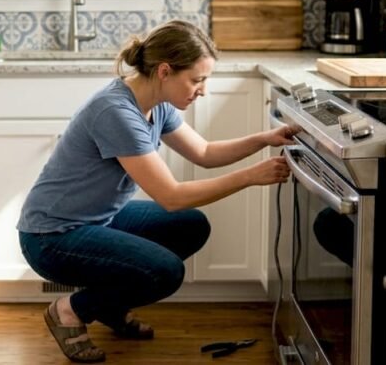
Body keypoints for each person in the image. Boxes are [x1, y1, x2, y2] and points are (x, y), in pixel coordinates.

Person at [16, 19, 300, 363]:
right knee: (164, 271)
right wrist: (250, 176)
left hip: (97, 220)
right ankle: (70, 310)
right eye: (197, 80)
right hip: (51, 236)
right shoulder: (116, 112)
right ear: (165, 71)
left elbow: (205, 153)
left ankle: (110, 307)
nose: (203, 90)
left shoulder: (157, 102)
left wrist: (263, 139)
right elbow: (171, 196)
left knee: (190, 225)